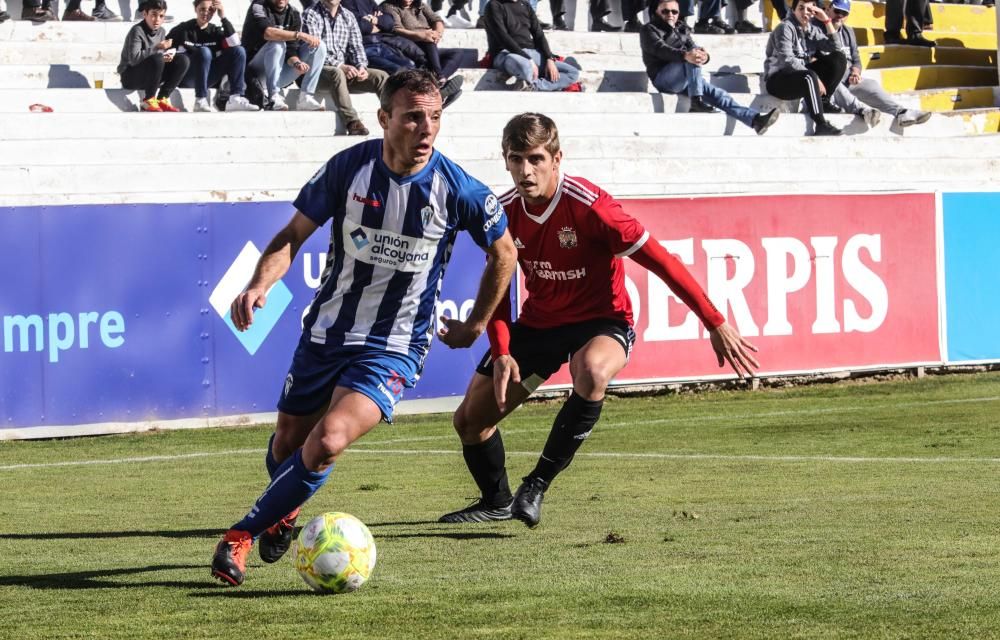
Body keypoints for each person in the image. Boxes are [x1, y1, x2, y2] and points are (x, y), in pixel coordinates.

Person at [210, 69, 519, 587]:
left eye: (435, 118)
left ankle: (238, 536)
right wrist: (259, 284)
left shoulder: (455, 187)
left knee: (329, 440)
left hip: (395, 345)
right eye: (413, 117)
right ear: (384, 119)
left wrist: (478, 324)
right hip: (327, 332)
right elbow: (290, 236)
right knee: (289, 444)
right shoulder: (348, 169)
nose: (426, 130)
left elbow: (504, 252)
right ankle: (282, 513)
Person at [438, 112, 759, 527]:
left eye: (536, 159)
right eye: (516, 159)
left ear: (557, 158)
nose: (525, 170)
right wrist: (501, 351)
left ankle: (536, 485)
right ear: (505, 160)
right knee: (470, 421)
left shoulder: (593, 209)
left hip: (602, 321)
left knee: (590, 370)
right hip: (541, 324)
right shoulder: (504, 213)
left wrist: (714, 322)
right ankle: (496, 500)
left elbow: (664, 263)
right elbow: (499, 284)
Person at [641, 0, 779, 134]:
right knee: (691, 57)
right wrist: (686, 55)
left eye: (674, 11)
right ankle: (696, 101)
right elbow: (661, 49)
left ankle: (755, 120)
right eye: (665, 11)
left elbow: (694, 47)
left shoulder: (681, 28)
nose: (670, 14)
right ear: (657, 12)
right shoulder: (649, 29)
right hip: (663, 78)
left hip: (685, 78)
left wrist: (705, 56)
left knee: (720, 95)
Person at [826, 0, 930, 128]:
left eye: (844, 13)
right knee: (836, 84)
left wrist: (855, 71)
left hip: (848, 80)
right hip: (829, 83)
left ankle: (900, 112)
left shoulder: (848, 31)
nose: (840, 16)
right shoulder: (817, 29)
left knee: (872, 84)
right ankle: (863, 110)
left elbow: (856, 59)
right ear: (828, 10)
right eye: (837, 11)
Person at [303, 0, 390, 134]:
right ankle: (352, 121)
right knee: (336, 73)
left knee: (381, 76)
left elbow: (356, 47)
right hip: (316, 73)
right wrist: (341, 66)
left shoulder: (348, 16)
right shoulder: (311, 14)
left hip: (343, 72)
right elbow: (314, 50)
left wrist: (361, 67)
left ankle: (394, 117)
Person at [762, 0, 846, 136]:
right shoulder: (785, 28)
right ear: (793, 10)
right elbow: (787, 61)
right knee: (809, 75)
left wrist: (826, 20)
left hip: (801, 77)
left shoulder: (811, 30)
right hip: (777, 80)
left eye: (809, 9)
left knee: (839, 58)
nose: (805, 12)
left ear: (814, 13)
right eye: (801, 8)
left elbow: (835, 47)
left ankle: (823, 101)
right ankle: (821, 124)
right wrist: (815, 78)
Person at [168, 0, 260, 111]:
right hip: (188, 76)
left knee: (238, 51)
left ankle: (235, 98)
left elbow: (236, 44)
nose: (206, 13)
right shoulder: (183, 29)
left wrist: (223, 17)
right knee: (204, 52)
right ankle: (200, 100)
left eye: (210, 10)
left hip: (209, 76)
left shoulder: (215, 31)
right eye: (202, 9)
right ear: (195, 9)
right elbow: (166, 48)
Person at [242, 0, 328, 111]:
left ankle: (306, 97)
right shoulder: (258, 6)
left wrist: (297, 63)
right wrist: (299, 35)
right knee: (276, 42)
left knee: (319, 46)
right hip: (255, 73)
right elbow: (268, 33)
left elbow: (291, 49)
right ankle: (273, 96)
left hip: (278, 73)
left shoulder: (294, 13)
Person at [379, 0, 466, 107]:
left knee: (458, 53)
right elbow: (396, 29)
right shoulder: (389, 6)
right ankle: (439, 79)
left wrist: (437, 33)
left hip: (428, 45)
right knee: (428, 40)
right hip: (408, 45)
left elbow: (437, 20)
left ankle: (437, 84)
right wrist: (421, 35)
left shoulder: (420, 5)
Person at [484, 0, 583, 92]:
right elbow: (503, 38)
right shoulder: (494, 5)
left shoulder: (525, 5)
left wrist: (549, 58)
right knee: (525, 66)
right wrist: (528, 59)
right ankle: (534, 83)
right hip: (506, 53)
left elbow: (538, 34)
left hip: (532, 53)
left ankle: (535, 86)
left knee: (572, 73)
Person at [118, 0, 191, 112]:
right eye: (153, 15)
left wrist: (167, 56)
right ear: (145, 14)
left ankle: (162, 98)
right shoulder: (137, 30)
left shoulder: (161, 31)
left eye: (161, 16)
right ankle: (148, 100)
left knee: (183, 60)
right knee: (158, 58)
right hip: (130, 76)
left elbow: (157, 58)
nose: (157, 20)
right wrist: (157, 48)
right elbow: (134, 59)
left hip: (150, 75)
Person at [342, 0, 427, 74]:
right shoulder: (344, 3)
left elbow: (389, 22)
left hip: (380, 45)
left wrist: (375, 20)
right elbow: (360, 26)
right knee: (399, 70)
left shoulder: (368, 1)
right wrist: (377, 24)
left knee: (410, 64)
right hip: (364, 49)